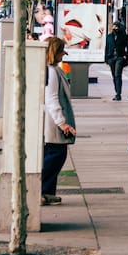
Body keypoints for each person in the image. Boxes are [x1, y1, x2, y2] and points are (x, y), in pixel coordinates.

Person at [42, 37, 76, 206]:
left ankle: (47, 191)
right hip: (52, 122)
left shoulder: (52, 69)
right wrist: (62, 123)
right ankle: (42, 190)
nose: (64, 55)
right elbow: (52, 98)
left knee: (54, 154)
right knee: (55, 155)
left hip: (52, 120)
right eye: (62, 51)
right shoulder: (51, 72)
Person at [104, 21, 128, 101]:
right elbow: (107, 48)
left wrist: (126, 56)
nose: (115, 28)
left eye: (116, 26)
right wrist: (106, 58)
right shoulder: (109, 37)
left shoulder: (124, 36)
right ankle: (117, 92)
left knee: (117, 75)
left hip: (120, 57)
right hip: (111, 58)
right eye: (114, 26)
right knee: (114, 76)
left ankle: (118, 94)